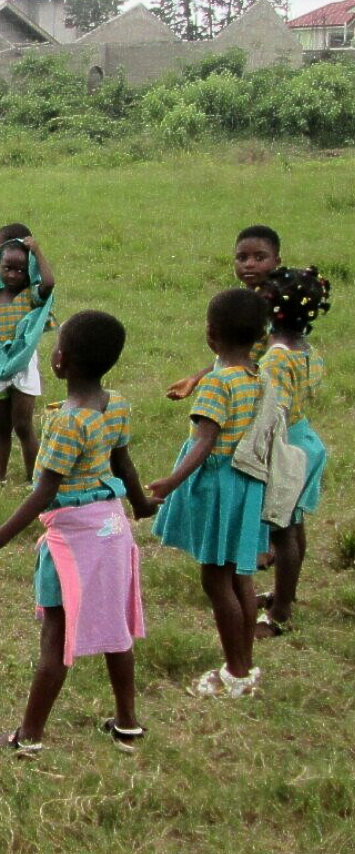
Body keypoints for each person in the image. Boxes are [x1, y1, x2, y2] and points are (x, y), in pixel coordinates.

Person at [0, 311, 155, 755]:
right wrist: (143, 504)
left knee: (55, 635)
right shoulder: (117, 405)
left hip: (73, 538)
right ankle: (127, 723)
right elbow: (123, 464)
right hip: (113, 527)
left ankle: (28, 736)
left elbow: (43, 492)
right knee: (117, 628)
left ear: (60, 360)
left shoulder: (65, 423)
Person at [149, 289, 269, 697]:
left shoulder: (217, 383)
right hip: (246, 484)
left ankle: (235, 673)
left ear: (211, 335)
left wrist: (171, 480)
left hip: (219, 485)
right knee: (241, 577)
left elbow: (204, 443)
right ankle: (245, 664)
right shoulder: (255, 374)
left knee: (217, 582)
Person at [253, 267, 332, 637]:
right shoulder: (305, 349)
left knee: (281, 531)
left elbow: (273, 412)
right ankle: (285, 592)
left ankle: (280, 611)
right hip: (305, 440)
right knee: (294, 523)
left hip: (285, 448)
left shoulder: (276, 358)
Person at [0, 236, 57, 487]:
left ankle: (34, 479)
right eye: (7, 268)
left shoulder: (30, 296)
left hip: (21, 365)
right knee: (1, 429)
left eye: (21, 269)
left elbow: (49, 283)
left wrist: (37, 251)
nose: (13, 274)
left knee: (23, 425)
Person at [165, 225, 282, 400]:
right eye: (241, 258)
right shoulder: (241, 302)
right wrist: (195, 378)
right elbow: (235, 354)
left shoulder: (278, 308)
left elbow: (268, 360)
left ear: (277, 261)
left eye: (260, 257)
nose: (249, 264)